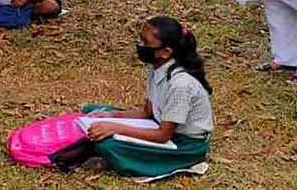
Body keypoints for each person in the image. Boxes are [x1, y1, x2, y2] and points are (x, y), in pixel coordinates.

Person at [82, 16, 213, 179]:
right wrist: (112, 116)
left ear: (166, 52)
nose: (140, 46)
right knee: (92, 111)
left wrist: (114, 127)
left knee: (108, 145)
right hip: (161, 125)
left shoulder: (180, 84)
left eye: (146, 42)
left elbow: (163, 136)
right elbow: (147, 112)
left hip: (184, 144)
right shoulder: (156, 67)